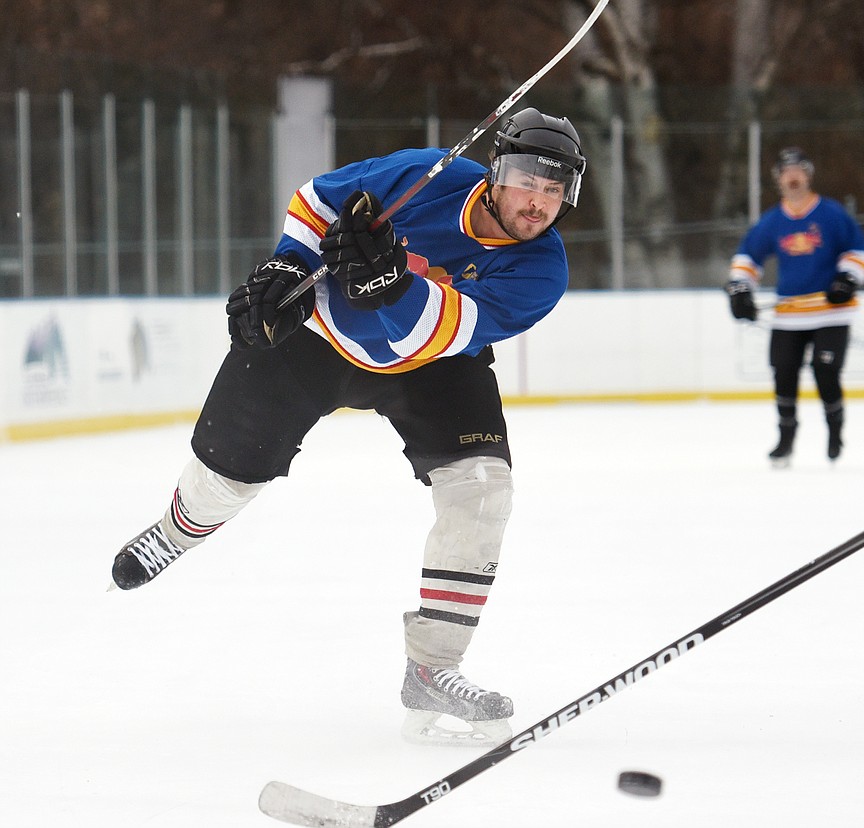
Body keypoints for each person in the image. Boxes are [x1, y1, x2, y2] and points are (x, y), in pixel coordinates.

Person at [109, 107, 587, 747]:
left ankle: (432, 669)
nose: (539, 203)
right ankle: (178, 529)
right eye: (529, 181)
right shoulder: (425, 174)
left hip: (434, 361)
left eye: (555, 191)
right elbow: (317, 201)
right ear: (497, 171)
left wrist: (389, 285)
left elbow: (434, 335)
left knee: (483, 488)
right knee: (224, 477)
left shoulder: (541, 270)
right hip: (317, 337)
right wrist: (286, 266)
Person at [723, 147, 864, 467]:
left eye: (798, 170)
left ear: (808, 174)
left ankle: (835, 431)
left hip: (831, 312)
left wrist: (847, 279)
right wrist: (740, 289)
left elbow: (858, 250)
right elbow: (748, 258)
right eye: (786, 171)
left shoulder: (831, 214)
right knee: (784, 373)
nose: (793, 176)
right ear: (778, 179)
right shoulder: (773, 221)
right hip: (789, 315)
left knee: (825, 370)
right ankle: (786, 438)